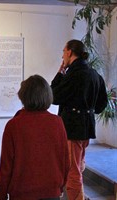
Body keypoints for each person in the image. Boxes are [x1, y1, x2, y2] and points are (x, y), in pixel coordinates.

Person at [0, 75, 70, 200]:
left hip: (22, 194)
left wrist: (2, 194)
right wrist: (60, 186)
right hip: (51, 193)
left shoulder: (14, 125)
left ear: (23, 96)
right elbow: (65, 161)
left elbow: (6, 166)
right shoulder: (57, 122)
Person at [51, 39, 108, 200]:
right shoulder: (94, 74)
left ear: (69, 52)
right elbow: (101, 104)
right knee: (78, 165)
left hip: (72, 128)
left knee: (72, 169)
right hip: (87, 126)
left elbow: (53, 96)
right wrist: (88, 111)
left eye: (63, 52)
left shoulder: (73, 75)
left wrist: (59, 73)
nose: (62, 57)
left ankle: (77, 197)